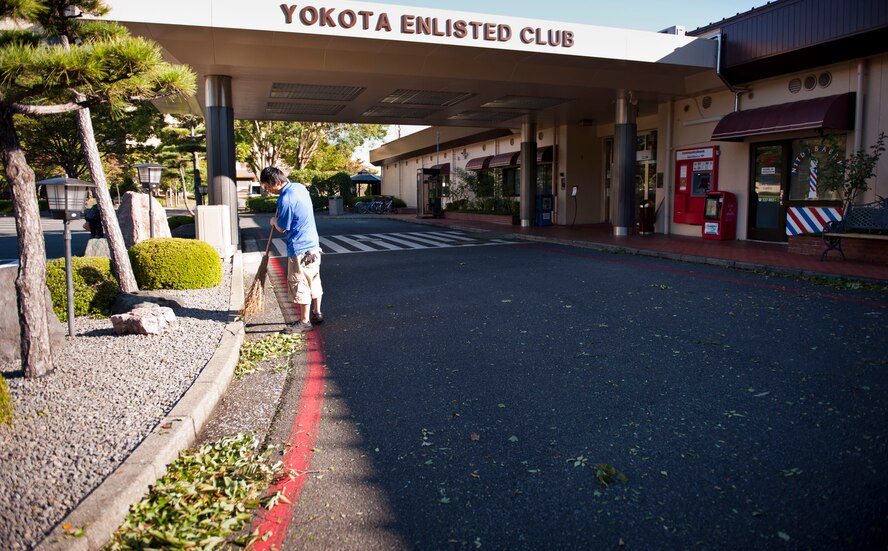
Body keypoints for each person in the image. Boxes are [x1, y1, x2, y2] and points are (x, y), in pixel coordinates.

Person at [259, 166, 323, 333]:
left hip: (299, 247)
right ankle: (317, 312)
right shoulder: (299, 187)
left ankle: (304, 321)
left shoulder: (286, 198)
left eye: (267, 186)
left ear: (276, 183)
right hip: (313, 245)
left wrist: (273, 221)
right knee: (313, 279)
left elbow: (282, 227)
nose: (267, 190)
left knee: (300, 282)